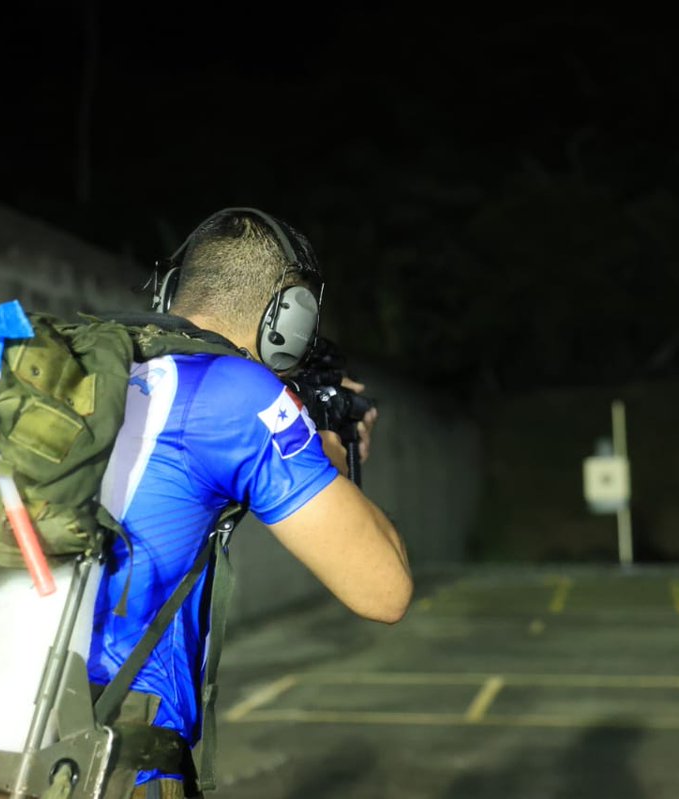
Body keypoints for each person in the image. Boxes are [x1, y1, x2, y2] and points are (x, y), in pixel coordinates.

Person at [83, 207, 413, 798]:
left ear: (168, 288)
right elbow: (384, 591)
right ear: (290, 318)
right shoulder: (232, 392)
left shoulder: (90, 366)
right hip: (100, 761)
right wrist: (330, 456)